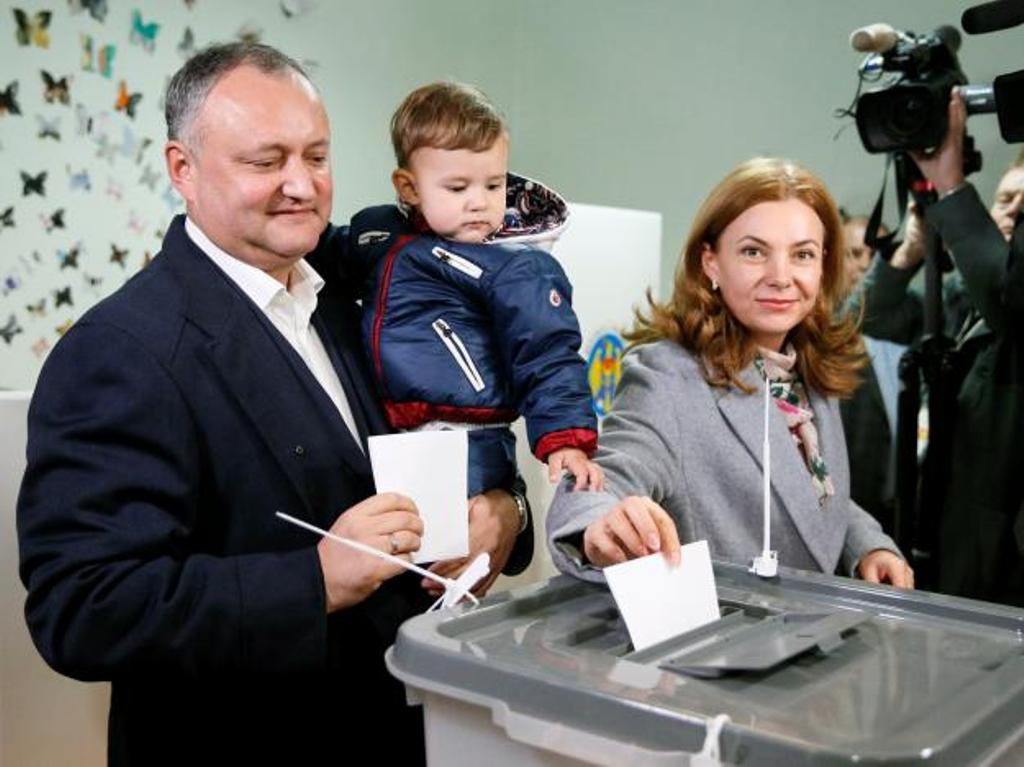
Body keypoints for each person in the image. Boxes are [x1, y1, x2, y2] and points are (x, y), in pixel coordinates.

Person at [16, 43, 530, 765]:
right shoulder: (118, 351)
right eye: (266, 162)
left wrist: (507, 509)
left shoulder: (356, 295)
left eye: (316, 157)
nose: (301, 184)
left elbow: (457, 423)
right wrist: (312, 580)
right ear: (181, 169)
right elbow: (82, 608)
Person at [547, 157, 913, 588]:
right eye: (754, 252)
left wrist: (868, 545)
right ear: (711, 263)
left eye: (802, 255)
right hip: (718, 645)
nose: (781, 277)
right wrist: (600, 522)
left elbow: (806, 496)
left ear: (822, 266)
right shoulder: (667, 376)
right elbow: (602, 479)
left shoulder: (806, 366)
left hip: (810, 640)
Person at [336, 82, 602, 504]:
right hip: (385, 430)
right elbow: (314, 253)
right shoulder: (378, 237)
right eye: (458, 188)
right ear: (409, 188)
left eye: (494, 186)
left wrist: (565, 435)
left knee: (453, 550)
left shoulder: (516, 266)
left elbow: (548, 353)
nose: (479, 202)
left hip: (468, 441)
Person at [858, 89, 1024, 604]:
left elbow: (1007, 300)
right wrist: (909, 252)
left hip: (998, 559)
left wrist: (953, 193)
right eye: (1005, 199)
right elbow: (868, 319)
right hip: (934, 528)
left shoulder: (1006, 304)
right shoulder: (955, 300)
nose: (1013, 214)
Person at [838, 213, 904, 534]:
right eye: (854, 253)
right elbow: (848, 323)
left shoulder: (912, 317)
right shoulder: (813, 321)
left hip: (890, 495)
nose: (865, 264)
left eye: (877, 255)